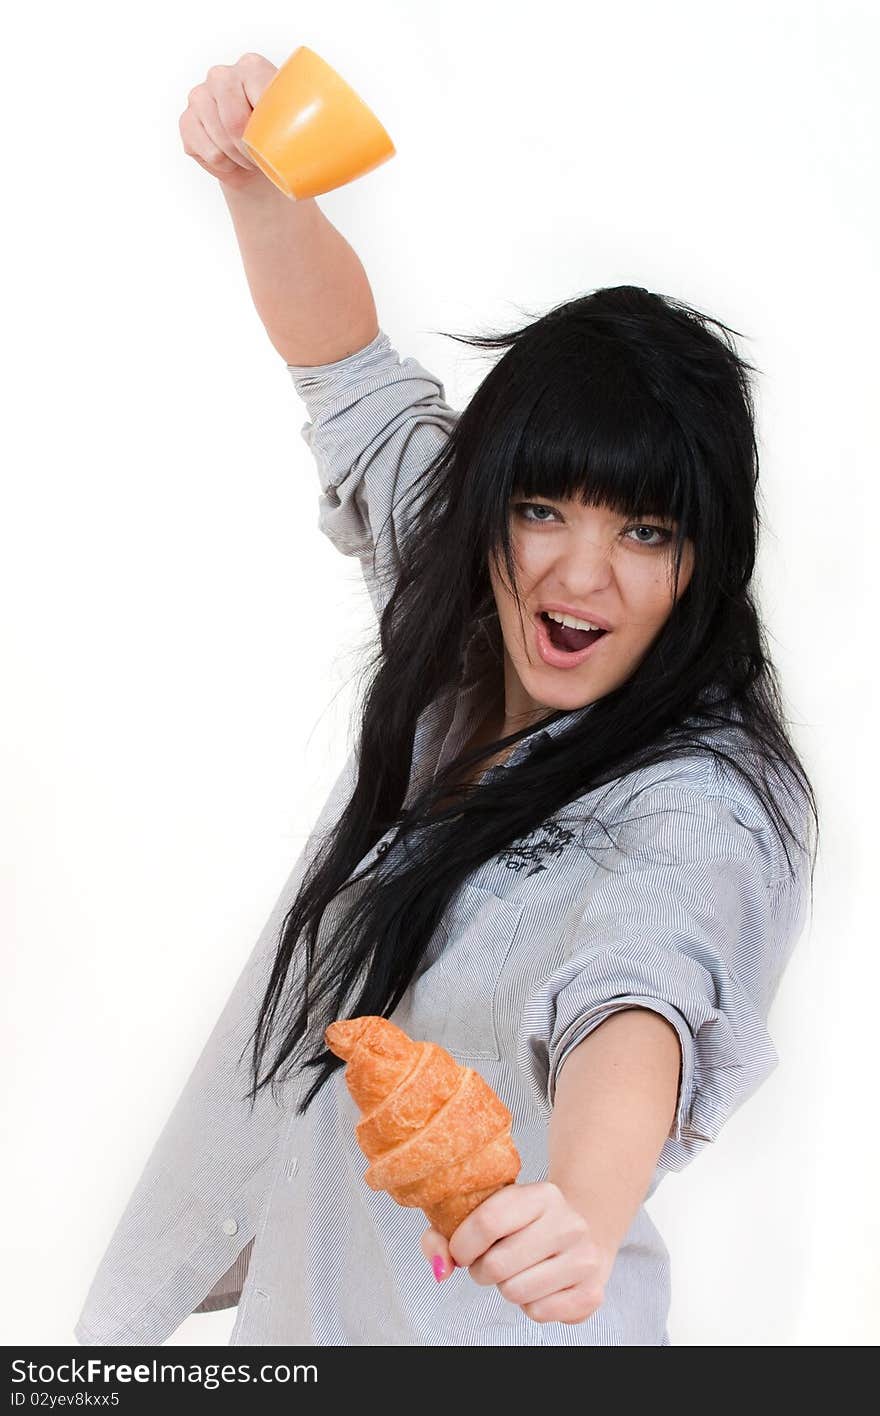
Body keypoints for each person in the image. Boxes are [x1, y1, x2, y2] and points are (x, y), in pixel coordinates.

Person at [74, 52, 818, 1347]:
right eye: (542, 510)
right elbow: (353, 380)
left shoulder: (705, 804)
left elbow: (645, 983)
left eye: (644, 532)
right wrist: (259, 188)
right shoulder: (470, 611)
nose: (578, 573)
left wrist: (582, 1206)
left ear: (705, 561)